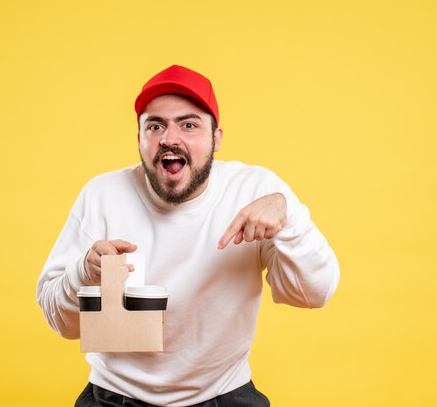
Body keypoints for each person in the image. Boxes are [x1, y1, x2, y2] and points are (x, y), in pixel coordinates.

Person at [37, 64, 340, 407]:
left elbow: (315, 293)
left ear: (216, 138)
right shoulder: (102, 195)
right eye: (155, 126)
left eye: (189, 124)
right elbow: (61, 323)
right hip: (115, 395)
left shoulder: (257, 190)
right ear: (139, 138)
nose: (170, 138)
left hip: (223, 394)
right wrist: (83, 272)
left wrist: (291, 218)